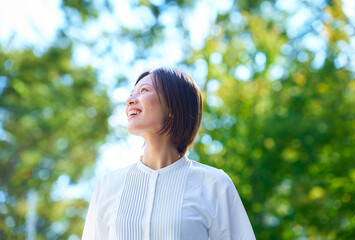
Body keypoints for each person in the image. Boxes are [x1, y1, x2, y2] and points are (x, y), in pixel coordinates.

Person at [82, 67, 256, 240]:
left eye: (144, 90)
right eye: (131, 93)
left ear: (173, 106)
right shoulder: (108, 185)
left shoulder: (214, 185)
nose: (130, 100)